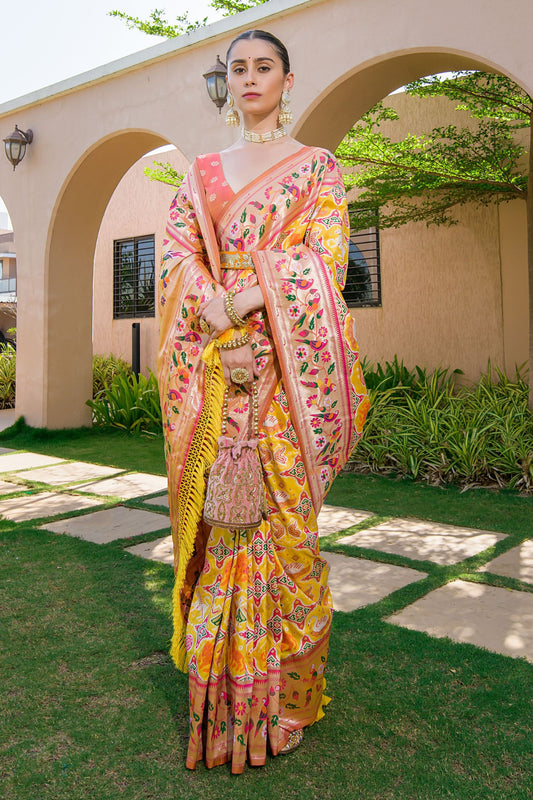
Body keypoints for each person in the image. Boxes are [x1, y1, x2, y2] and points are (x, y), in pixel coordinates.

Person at [157, 29, 369, 774]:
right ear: (227, 82)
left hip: (285, 377)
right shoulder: (202, 172)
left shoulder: (315, 167)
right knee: (224, 525)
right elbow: (178, 255)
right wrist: (217, 320)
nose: (249, 79)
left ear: (286, 79)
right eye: (236, 69)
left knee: (291, 537)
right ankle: (223, 691)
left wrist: (246, 299)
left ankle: (289, 697)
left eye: (262, 67)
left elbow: (325, 260)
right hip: (221, 371)